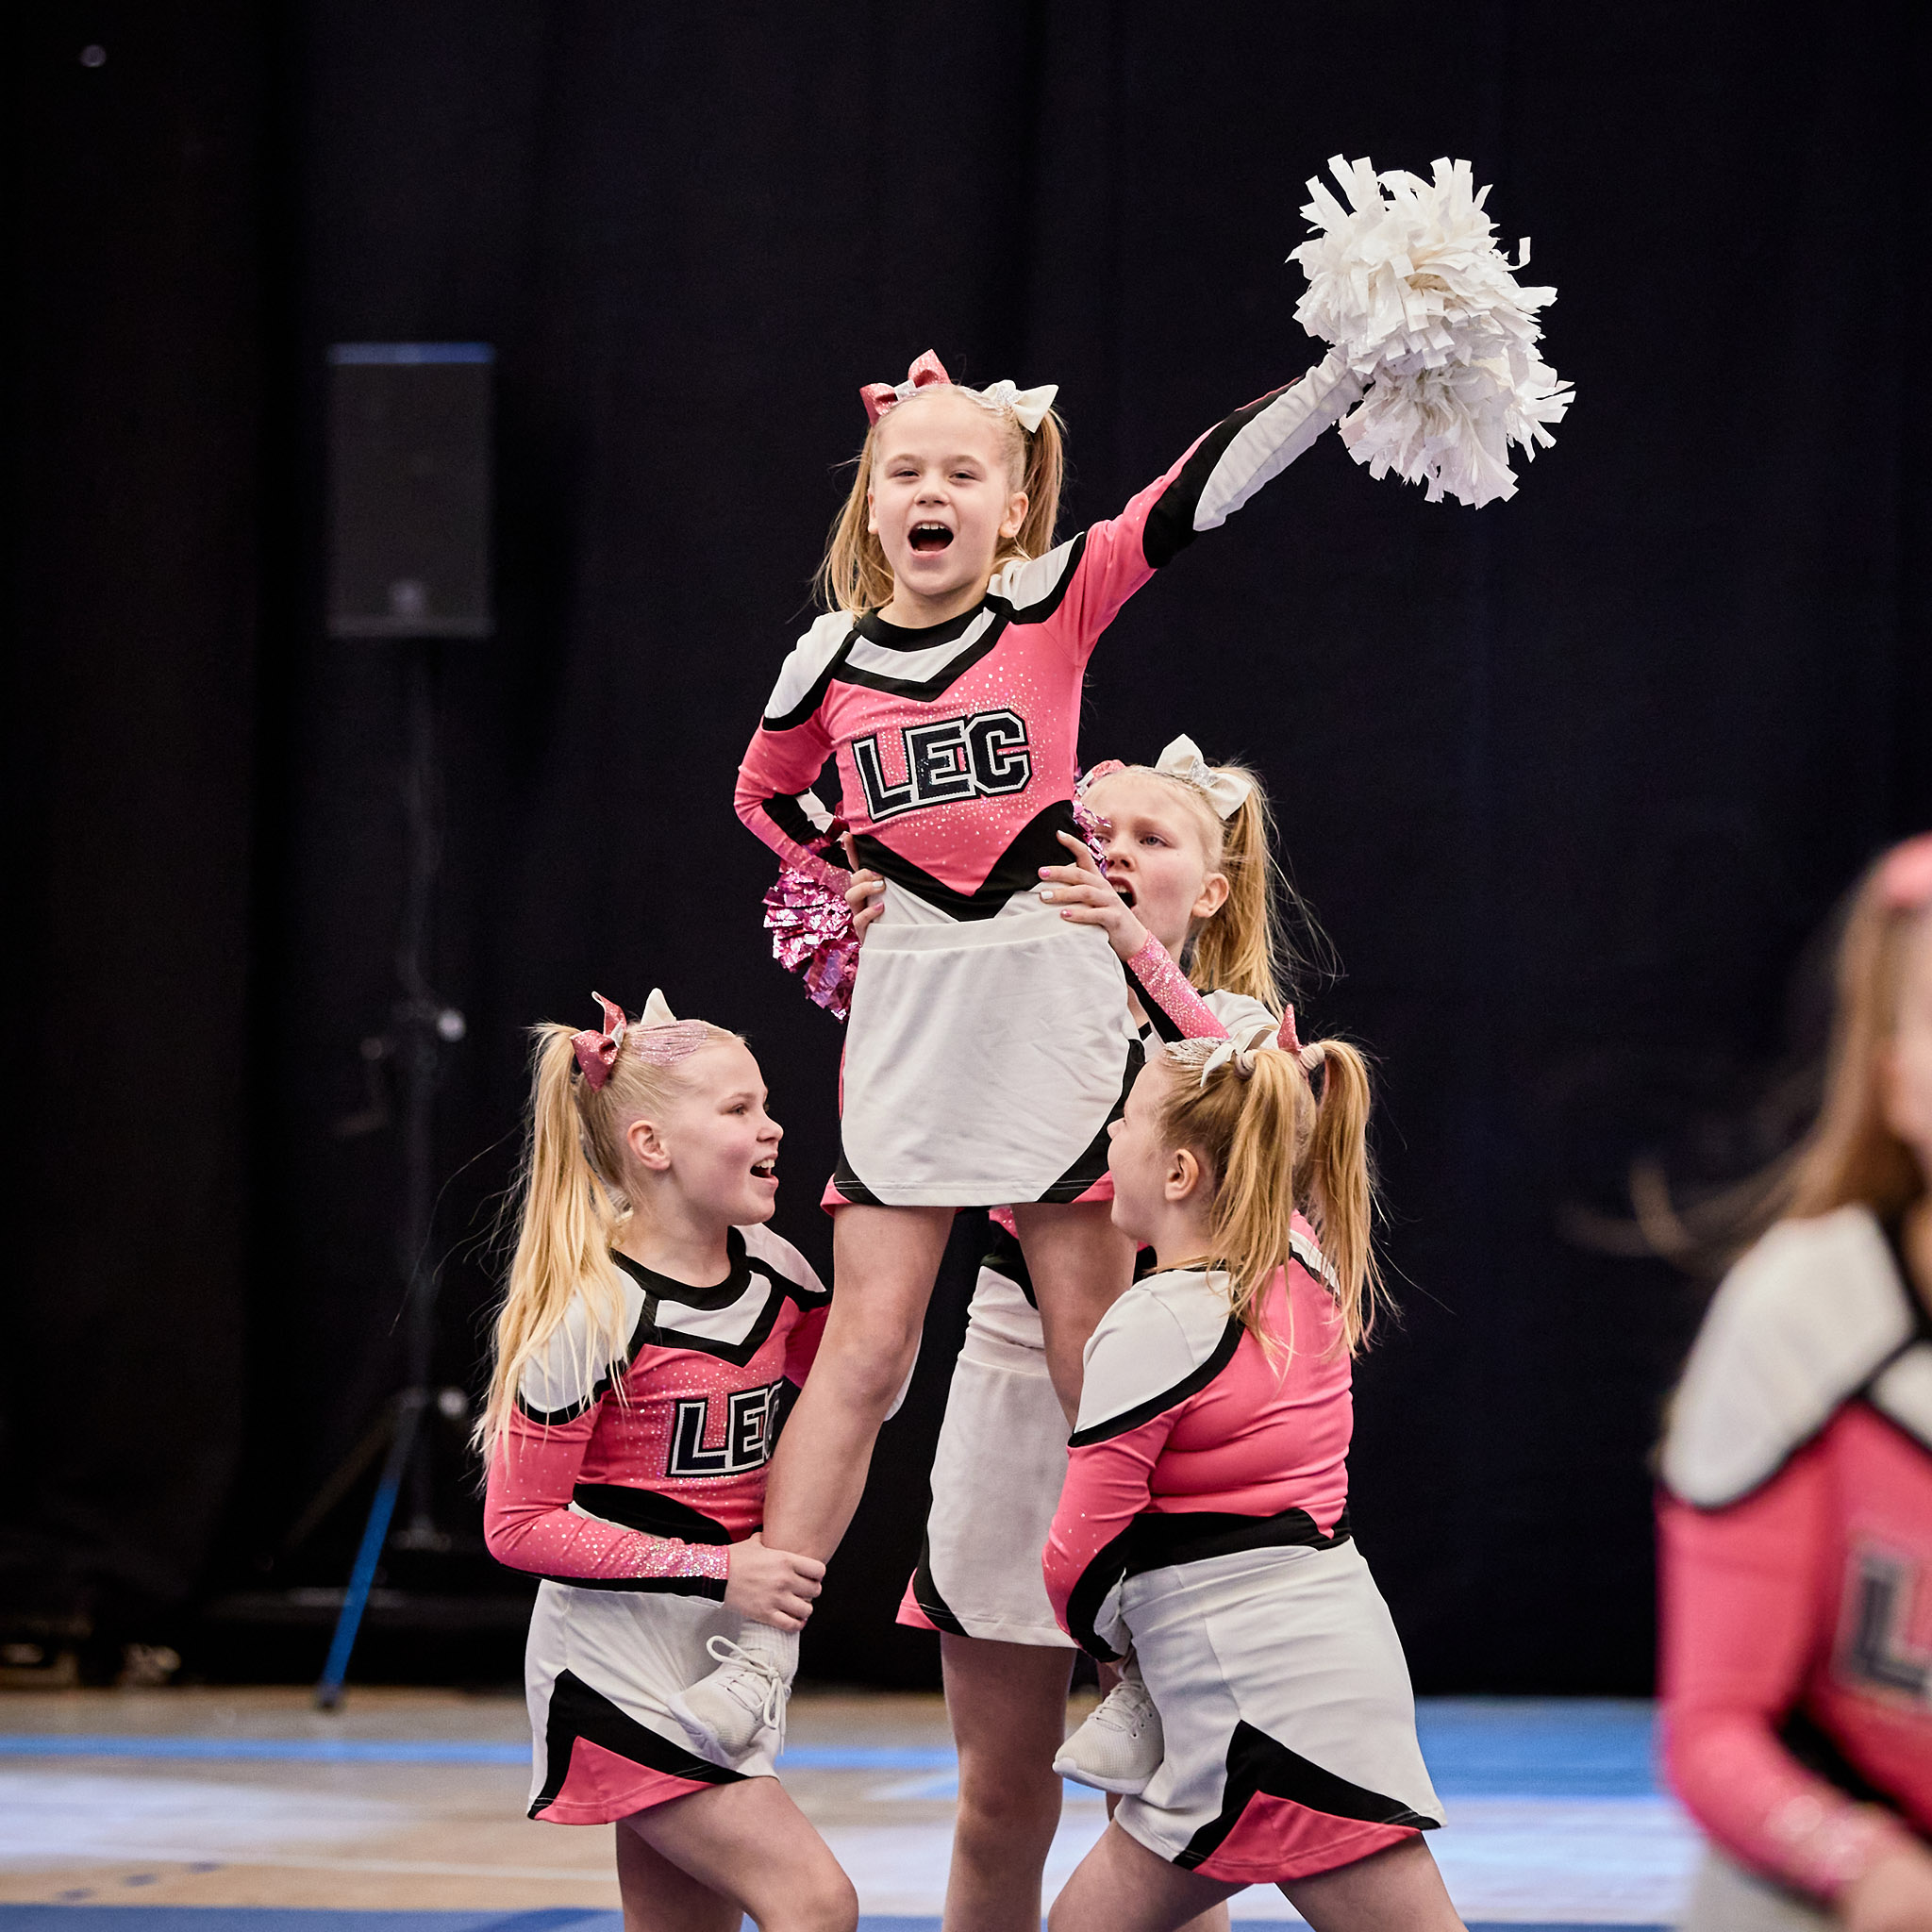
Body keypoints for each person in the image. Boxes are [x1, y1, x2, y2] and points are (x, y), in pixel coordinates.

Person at [698, 341, 1365, 1750]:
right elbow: (762, 791)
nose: (928, 492)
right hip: (915, 1017)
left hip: (1052, 1007)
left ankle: (1133, 1667)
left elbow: (1186, 498)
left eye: (962, 472)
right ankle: (760, 1650)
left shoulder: (1051, 601)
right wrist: (836, 868)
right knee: (866, 1351)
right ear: (871, 502)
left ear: (1012, 508)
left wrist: (1335, 377)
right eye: (903, 472)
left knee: (1094, 1355)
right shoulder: (827, 656)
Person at [837, 736, 1288, 1931]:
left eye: (1151, 838)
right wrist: (894, 928)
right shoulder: (1010, 1005)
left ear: (1211, 889)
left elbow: (1242, 1121)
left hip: (1173, 1418)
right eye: (1099, 833)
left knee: (1166, 1800)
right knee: (997, 1797)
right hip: (1011, 1388)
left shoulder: (1236, 1026)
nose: (1115, 853)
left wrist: (1133, 951)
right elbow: (904, 1056)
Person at [1041, 1024, 1461, 1932]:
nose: (1110, 1132)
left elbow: (1077, 1557)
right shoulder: (1305, 1259)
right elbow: (1243, 1091)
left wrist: (1117, 1658)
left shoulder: (1155, 1322)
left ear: (1180, 1173)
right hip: (1304, 1666)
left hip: (1263, 1698)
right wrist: (1136, 955)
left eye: (1126, 1119)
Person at [479, 991, 857, 1932]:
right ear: (651, 1144)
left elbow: (851, 1400)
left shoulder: (776, 1269)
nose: (771, 1126)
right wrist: (718, 1567)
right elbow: (517, 1525)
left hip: (720, 1651)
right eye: (737, 1109)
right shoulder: (591, 1311)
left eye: (764, 1103)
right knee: (816, 1902)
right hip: (613, 1663)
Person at [1658, 834, 1932, 1932]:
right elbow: (1713, 1728)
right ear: (1891, 1077)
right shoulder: (1797, 1310)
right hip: (1847, 1847)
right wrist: (1855, 1858)